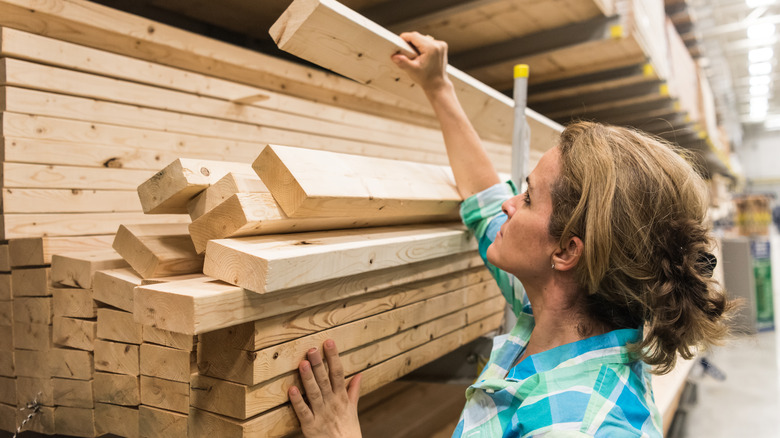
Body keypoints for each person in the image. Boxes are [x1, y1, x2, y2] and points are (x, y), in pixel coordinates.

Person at [287, 32, 735, 437]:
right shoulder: (562, 311)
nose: (507, 204)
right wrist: (437, 86)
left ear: (566, 251)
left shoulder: (576, 429)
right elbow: (484, 201)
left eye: (526, 197)